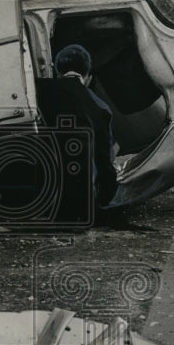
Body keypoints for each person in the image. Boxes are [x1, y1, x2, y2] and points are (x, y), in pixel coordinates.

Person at [33, 44, 122, 223]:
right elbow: (105, 165)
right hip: (76, 210)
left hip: (36, 203)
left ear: (57, 71)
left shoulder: (38, 92)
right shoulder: (101, 108)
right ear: (88, 76)